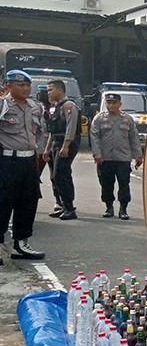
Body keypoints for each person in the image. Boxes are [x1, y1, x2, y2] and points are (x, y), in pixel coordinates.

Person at [0, 69, 48, 261]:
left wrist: (40, 153)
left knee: (28, 201)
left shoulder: (35, 107)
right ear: (8, 86)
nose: (25, 89)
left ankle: (22, 242)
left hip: (29, 160)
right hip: (7, 160)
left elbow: (40, 132)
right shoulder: (3, 105)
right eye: (20, 85)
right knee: (3, 202)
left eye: (27, 85)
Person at [90, 92, 143, 220]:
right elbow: (94, 137)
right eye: (109, 103)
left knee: (124, 183)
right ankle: (109, 207)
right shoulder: (99, 118)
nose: (111, 105)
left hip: (123, 158)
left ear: (120, 104)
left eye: (114, 103)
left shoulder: (127, 119)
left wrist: (138, 156)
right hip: (105, 158)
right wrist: (97, 153)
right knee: (106, 183)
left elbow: (134, 138)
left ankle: (123, 209)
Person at [44, 79, 81, 221]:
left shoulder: (68, 106)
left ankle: (70, 208)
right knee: (55, 175)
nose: (48, 93)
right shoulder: (55, 107)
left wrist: (66, 145)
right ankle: (63, 205)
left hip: (66, 144)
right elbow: (53, 131)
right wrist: (47, 149)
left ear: (59, 90)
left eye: (50, 90)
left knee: (61, 174)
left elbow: (70, 128)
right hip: (56, 143)